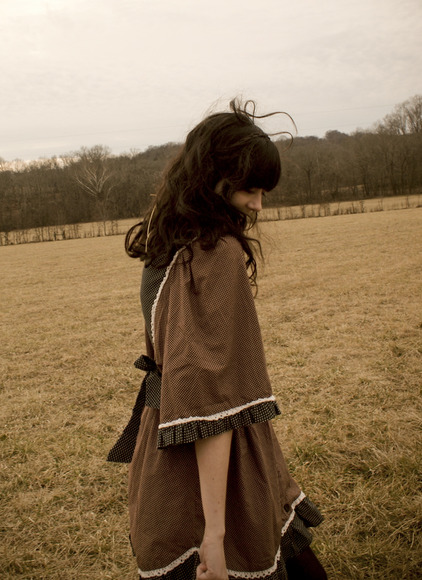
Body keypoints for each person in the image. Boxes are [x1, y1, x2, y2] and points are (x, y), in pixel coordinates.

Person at [108, 99, 327, 580]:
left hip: (162, 443)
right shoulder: (215, 252)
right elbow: (211, 401)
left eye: (263, 191)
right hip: (207, 460)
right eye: (250, 189)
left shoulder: (167, 241)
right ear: (213, 178)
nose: (258, 204)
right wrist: (216, 532)